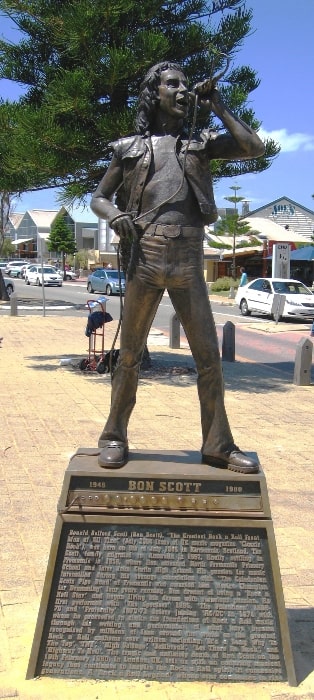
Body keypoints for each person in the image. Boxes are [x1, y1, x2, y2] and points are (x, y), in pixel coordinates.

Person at [91, 61, 265, 473]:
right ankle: (114, 435)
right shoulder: (130, 147)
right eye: (174, 84)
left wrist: (218, 105)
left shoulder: (201, 143)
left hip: (188, 260)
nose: (183, 90)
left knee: (209, 358)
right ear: (154, 94)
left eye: (187, 84)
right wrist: (115, 215)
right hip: (145, 258)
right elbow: (99, 197)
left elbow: (252, 147)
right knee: (129, 355)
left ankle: (218, 444)